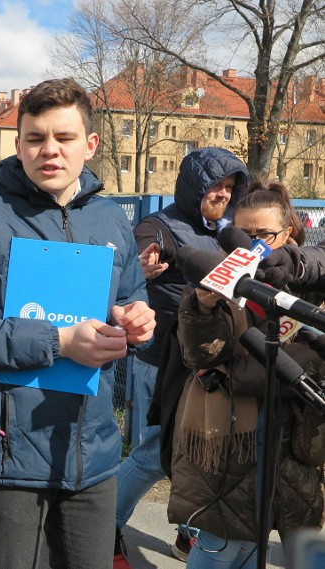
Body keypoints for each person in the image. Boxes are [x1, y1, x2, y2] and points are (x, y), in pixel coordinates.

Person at [0, 78, 156, 569]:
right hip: (7, 454)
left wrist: (136, 323)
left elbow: (131, 298)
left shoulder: (111, 221)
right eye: (35, 138)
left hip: (91, 453)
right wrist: (59, 341)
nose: (50, 150)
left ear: (90, 144)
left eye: (64, 138)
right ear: (19, 144)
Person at [164, 181, 325, 568]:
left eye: (264, 235)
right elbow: (201, 355)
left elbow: (314, 360)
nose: (253, 246)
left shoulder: (310, 283)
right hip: (233, 442)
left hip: (298, 442)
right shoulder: (218, 281)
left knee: (305, 549)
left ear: (288, 234)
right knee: (226, 544)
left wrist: (242, 371)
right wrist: (201, 307)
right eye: (243, 235)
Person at [116, 148, 248, 567]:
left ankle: (188, 535)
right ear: (194, 186)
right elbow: (139, 253)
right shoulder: (160, 225)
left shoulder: (224, 230)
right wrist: (141, 267)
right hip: (162, 360)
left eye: (229, 189)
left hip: (206, 364)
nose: (222, 195)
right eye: (215, 186)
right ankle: (104, 523)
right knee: (157, 452)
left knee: (198, 453)